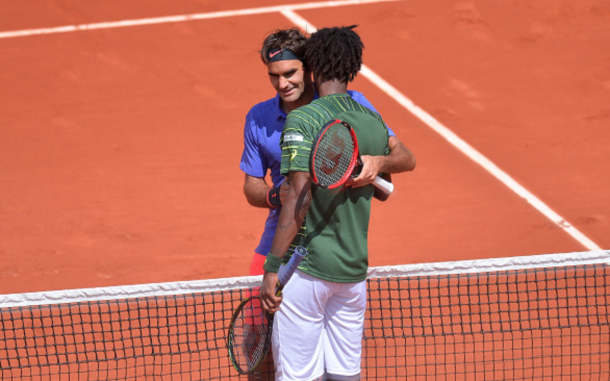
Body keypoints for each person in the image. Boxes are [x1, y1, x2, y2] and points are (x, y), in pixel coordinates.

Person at [259, 26, 416, 381]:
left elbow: (299, 197)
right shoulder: (373, 122)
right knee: (346, 375)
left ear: (311, 66)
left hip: (307, 270)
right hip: (352, 273)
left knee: (300, 376)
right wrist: (381, 162)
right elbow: (402, 164)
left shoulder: (304, 118)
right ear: (352, 68)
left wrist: (272, 266)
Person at [240, 28, 415, 277]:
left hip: (331, 252)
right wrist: (277, 195)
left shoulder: (352, 103)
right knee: (258, 317)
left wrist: (379, 162)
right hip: (276, 247)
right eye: (274, 76)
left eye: (290, 73)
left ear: (309, 68)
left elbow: (406, 157)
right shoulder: (258, 118)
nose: (282, 84)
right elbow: (251, 186)